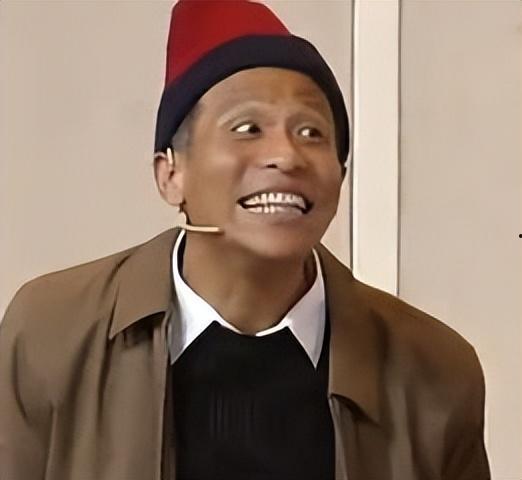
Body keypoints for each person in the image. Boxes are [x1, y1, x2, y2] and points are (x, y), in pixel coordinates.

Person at [0, 1, 490, 479]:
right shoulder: (51, 332)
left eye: (312, 133)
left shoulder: (435, 370)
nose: (287, 156)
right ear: (171, 174)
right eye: (248, 128)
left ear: (340, 177)